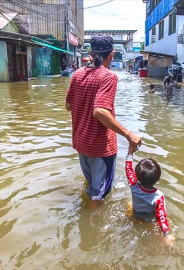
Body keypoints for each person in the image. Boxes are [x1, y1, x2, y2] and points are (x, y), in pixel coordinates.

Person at [65, 35, 141, 201]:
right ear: (112, 54)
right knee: (99, 197)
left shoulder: (77, 75)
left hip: (81, 144)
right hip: (100, 148)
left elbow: (69, 106)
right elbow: (99, 111)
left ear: (91, 54)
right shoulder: (108, 76)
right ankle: (91, 225)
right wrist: (129, 135)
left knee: (91, 185)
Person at [125, 144, 174, 240]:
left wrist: (130, 153)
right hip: (149, 221)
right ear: (158, 178)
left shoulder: (133, 186)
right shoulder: (159, 196)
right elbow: (161, 216)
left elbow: (128, 170)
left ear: (137, 176)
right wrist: (166, 234)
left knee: (129, 204)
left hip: (135, 216)